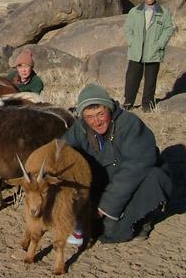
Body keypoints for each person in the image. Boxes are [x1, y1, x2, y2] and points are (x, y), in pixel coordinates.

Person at [62, 84, 172, 243]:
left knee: (113, 231)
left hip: (134, 184)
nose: (96, 122)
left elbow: (134, 169)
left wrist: (105, 207)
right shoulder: (80, 128)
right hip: (107, 184)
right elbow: (60, 149)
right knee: (93, 227)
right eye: (90, 117)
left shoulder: (129, 124)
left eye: (100, 114)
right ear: (83, 117)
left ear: (110, 109)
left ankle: (143, 221)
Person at [123, 0, 174, 112]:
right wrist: (132, 42)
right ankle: (128, 103)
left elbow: (168, 29)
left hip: (153, 51)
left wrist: (160, 44)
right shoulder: (134, 12)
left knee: (150, 80)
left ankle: (147, 105)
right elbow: (128, 28)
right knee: (131, 79)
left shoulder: (164, 13)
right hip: (136, 51)